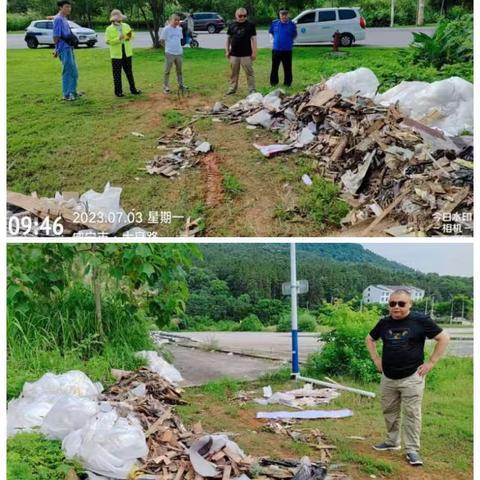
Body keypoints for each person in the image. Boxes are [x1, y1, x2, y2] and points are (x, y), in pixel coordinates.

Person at [366, 289, 450, 467]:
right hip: (388, 377)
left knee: (412, 413)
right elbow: (369, 339)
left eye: (401, 304)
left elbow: (443, 338)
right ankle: (392, 441)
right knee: (389, 411)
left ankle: (412, 449)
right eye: (392, 304)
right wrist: (376, 359)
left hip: (412, 376)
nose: (396, 307)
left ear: (409, 304)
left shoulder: (420, 321)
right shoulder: (384, 322)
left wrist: (431, 362)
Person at [105, 9, 141, 98]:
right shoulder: (109, 29)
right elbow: (108, 41)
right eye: (117, 18)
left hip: (127, 53)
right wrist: (118, 39)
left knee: (129, 72)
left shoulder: (126, 26)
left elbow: (132, 35)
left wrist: (125, 36)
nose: (119, 19)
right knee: (117, 74)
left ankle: (133, 89)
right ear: (113, 19)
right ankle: (118, 92)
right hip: (116, 55)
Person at [225, 8, 257, 95]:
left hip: (246, 54)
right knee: (234, 73)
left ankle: (252, 90)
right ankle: (232, 89)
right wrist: (227, 50)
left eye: (244, 16)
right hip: (234, 54)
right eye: (240, 16)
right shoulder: (231, 25)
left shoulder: (251, 25)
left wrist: (254, 52)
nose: (242, 17)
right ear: (236, 15)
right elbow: (228, 39)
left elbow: (254, 39)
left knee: (249, 73)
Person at [53, 0, 79, 101]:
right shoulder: (58, 19)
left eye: (69, 7)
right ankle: (67, 94)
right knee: (68, 71)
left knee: (74, 71)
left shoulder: (64, 18)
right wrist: (56, 49)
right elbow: (56, 36)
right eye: (66, 7)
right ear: (60, 7)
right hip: (64, 49)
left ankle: (73, 91)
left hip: (69, 47)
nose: (69, 9)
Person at [268, 8, 297, 87]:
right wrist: (274, 41)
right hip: (276, 49)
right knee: (274, 67)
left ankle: (287, 83)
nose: (284, 16)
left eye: (285, 14)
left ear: (288, 15)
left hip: (287, 50)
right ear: (279, 15)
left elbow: (294, 35)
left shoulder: (292, 24)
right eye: (282, 14)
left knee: (287, 67)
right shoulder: (274, 23)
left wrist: (288, 42)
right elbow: (271, 33)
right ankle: (273, 82)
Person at [160, 14, 188, 94]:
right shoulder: (166, 29)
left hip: (179, 53)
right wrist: (167, 48)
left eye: (178, 20)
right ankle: (165, 86)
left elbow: (180, 40)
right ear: (171, 20)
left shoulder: (179, 29)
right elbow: (161, 40)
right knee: (167, 71)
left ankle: (181, 85)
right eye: (175, 20)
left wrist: (180, 48)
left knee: (179, 70)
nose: (177, 22)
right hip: (169, 53)